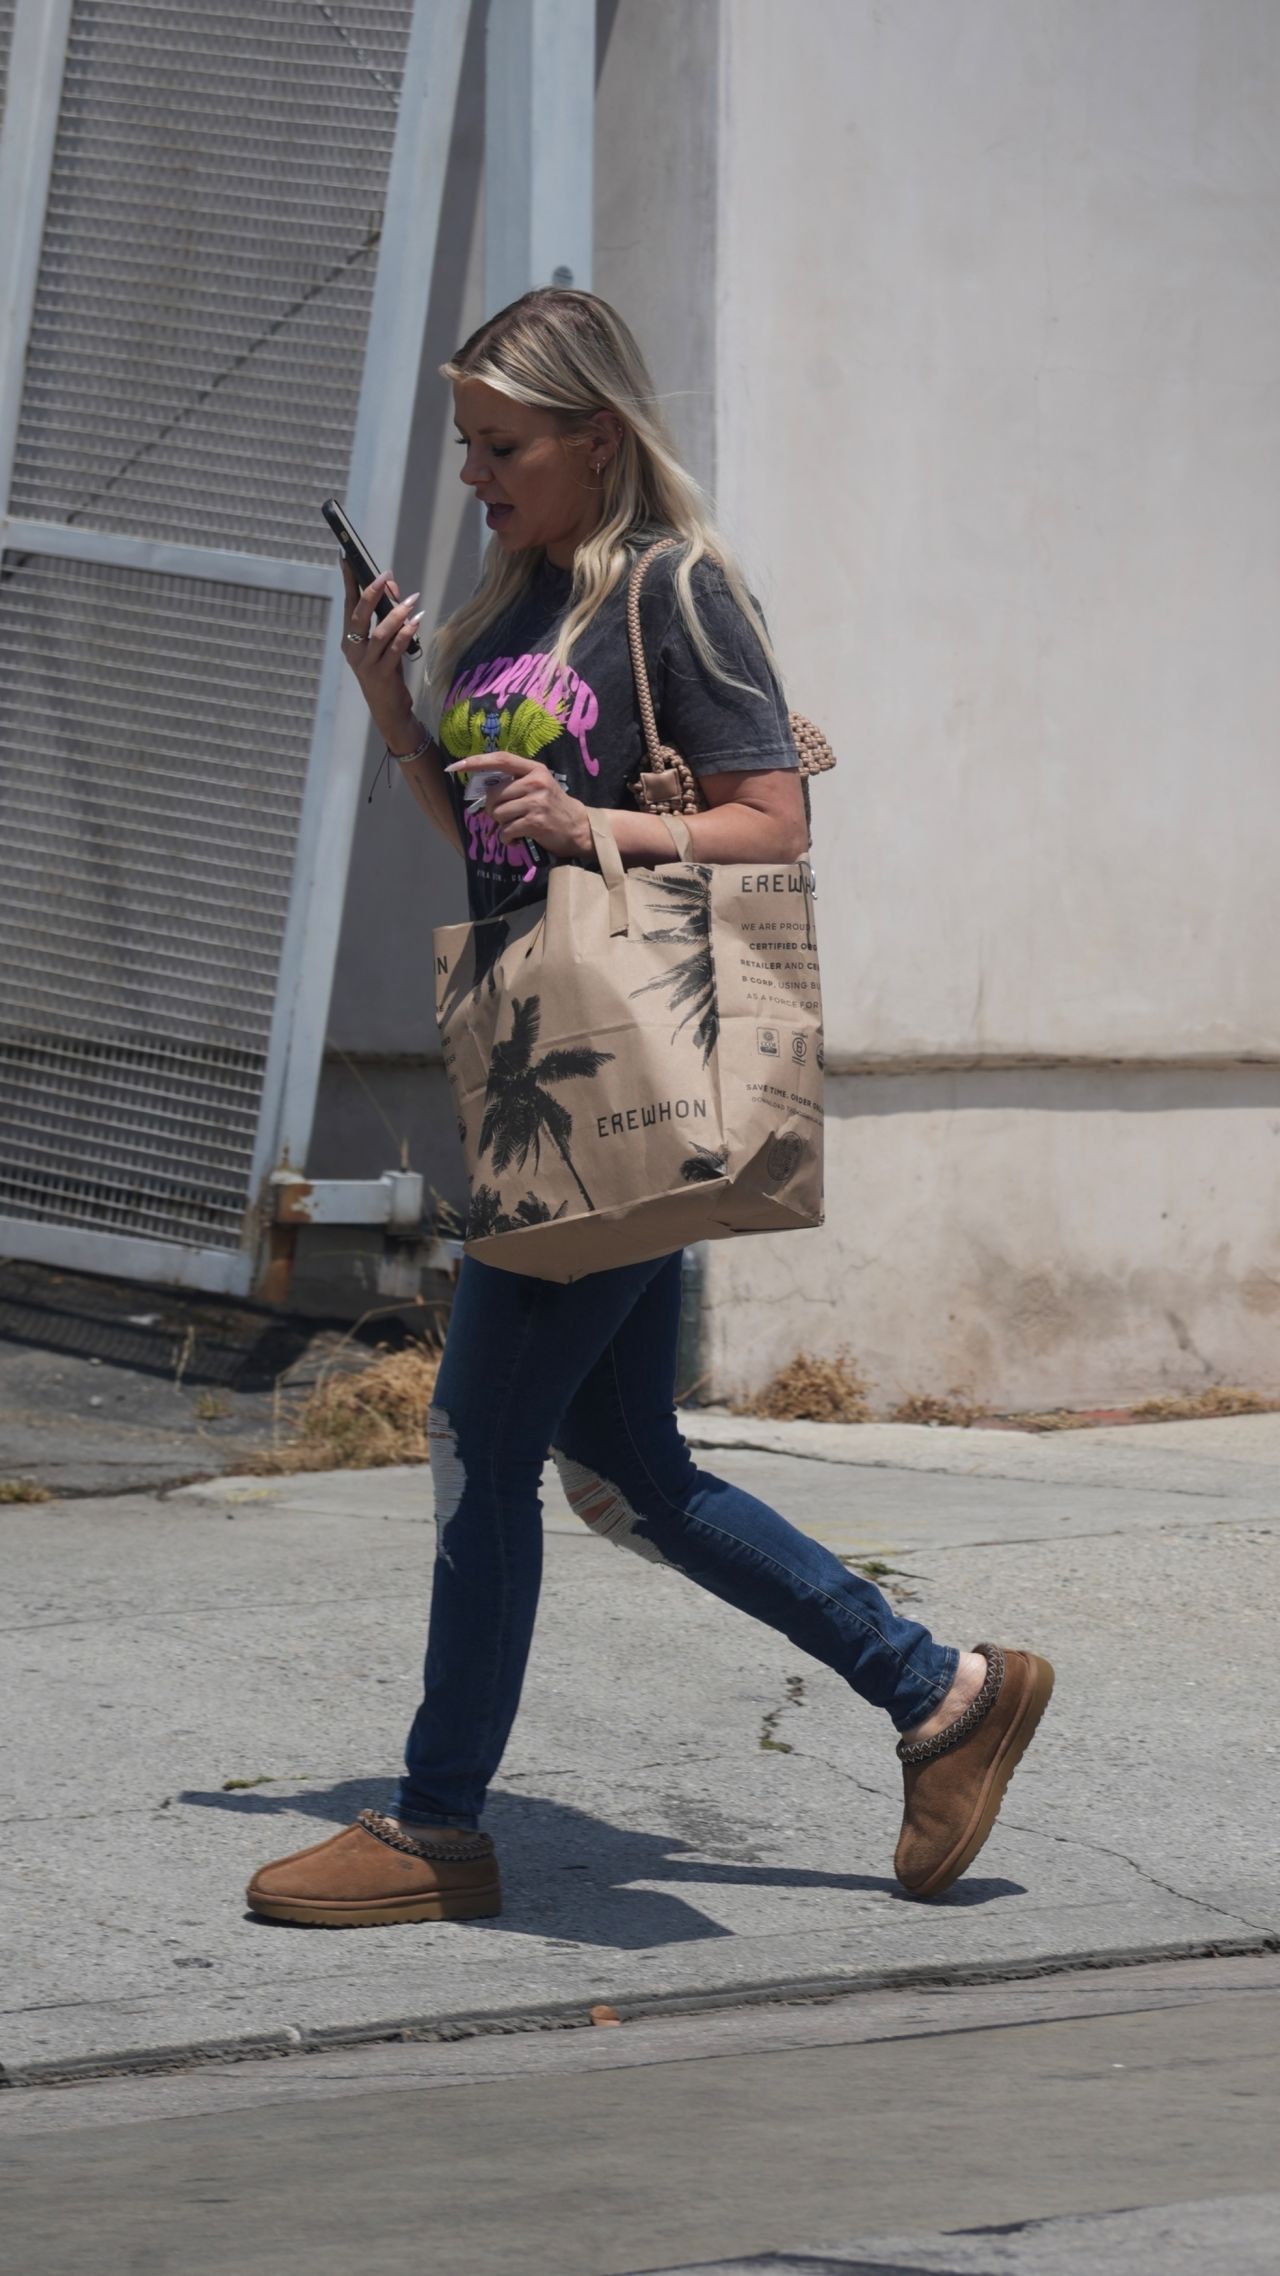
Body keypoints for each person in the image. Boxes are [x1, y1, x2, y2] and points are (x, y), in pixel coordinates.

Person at [247, 290, 1052, 1928]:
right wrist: (399, 707)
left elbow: (773, 823)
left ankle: (436, 1824)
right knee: (625, 1467)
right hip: (543, 1068)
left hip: (628, 1065)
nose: (472, 473)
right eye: (465, 442)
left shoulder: (677, 591)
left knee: (481, 1436)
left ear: (596, 436)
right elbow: (484, 837)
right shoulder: (518, 598)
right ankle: (943, 1694)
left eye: (502, 445)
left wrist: (590, 818)